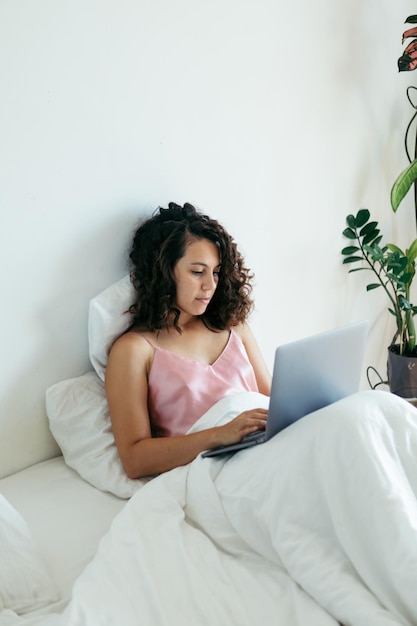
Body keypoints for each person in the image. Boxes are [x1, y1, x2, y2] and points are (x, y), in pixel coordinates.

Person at [105, 202, 271, 479]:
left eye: (216, 272)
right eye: (197, 272)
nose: (210, 285)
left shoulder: (233, 326)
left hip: (266, 448)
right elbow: (134, 459)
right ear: (164, 272)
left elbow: (273, 401)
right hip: (216, 471)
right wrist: (220, 435)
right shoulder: (135, 349)